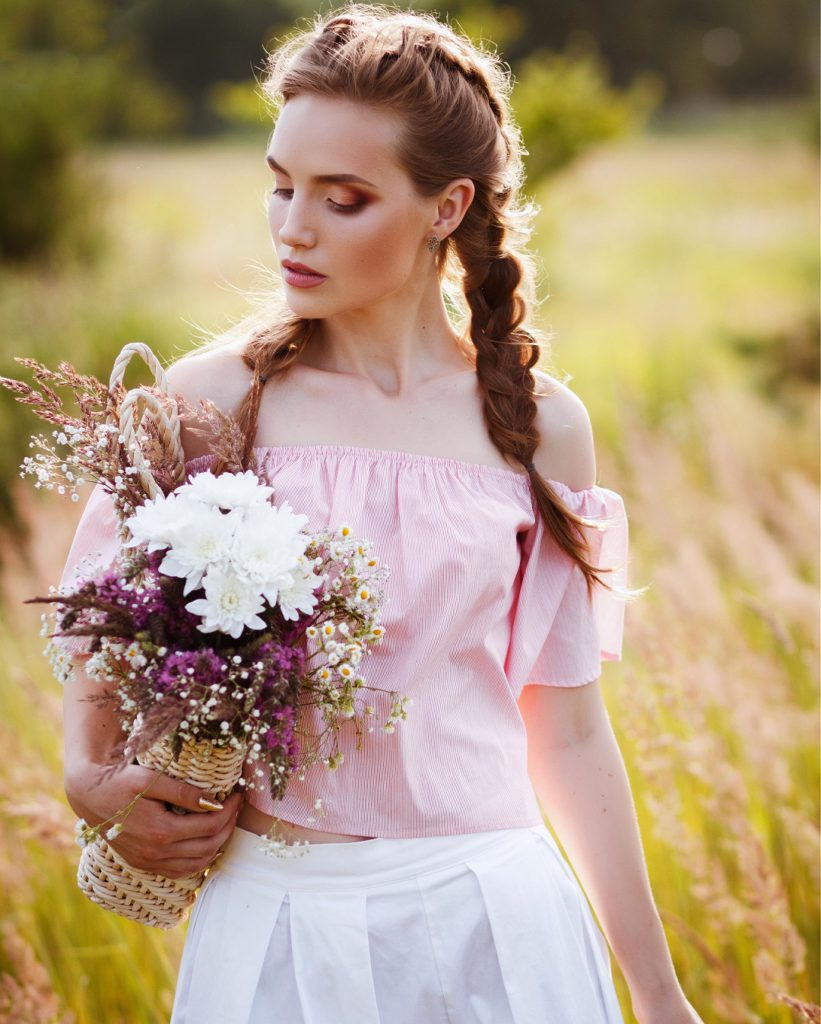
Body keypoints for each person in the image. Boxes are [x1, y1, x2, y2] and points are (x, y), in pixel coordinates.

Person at [60, 6, 705, 1023]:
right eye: (280, 186)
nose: (291, 227)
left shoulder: (539, 429)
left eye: (343, 198)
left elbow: (570, 731)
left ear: (446, 205)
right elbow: (96, 644)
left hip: (497, 915)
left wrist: (658, 994)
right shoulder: (212, 400)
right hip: (276, 919)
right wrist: (88, 782)